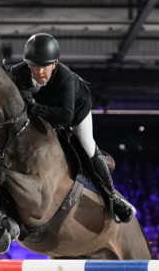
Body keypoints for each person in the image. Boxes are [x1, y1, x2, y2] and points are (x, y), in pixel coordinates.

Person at [9, 33, 135, 222]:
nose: (39, 72)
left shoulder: (65, 78)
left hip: (75, 113)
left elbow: (65, 115)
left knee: (87, 145)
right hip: (43, 113)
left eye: (44, 66)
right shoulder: (17, 73)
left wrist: (34, 107)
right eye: (34, 66)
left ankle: (113, 197)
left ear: (55, 63)